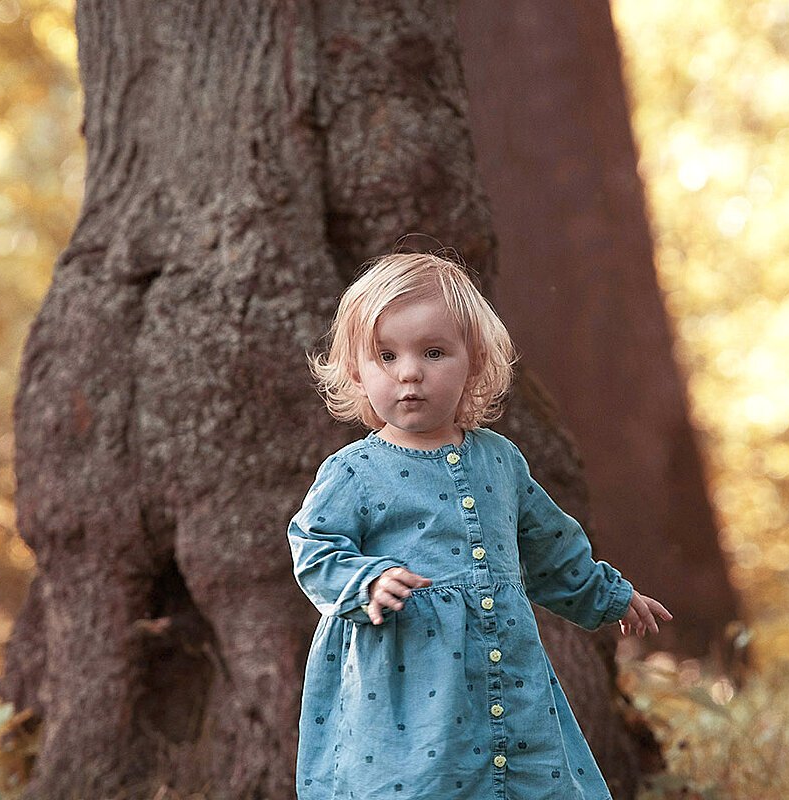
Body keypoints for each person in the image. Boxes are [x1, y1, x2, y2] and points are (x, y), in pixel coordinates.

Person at [288, 250, 673, 799]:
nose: (410, 372)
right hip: (406, 688)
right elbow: (313, 545)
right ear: (355, 369)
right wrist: (365, 581)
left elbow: (548, 546)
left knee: (525, 780)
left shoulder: (501, 461)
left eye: (434, 352)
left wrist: (607, 595)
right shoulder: (355, 471)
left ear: (474, 362)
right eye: (386, 356)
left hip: (507, 680)